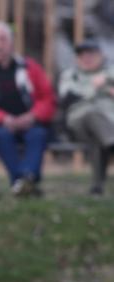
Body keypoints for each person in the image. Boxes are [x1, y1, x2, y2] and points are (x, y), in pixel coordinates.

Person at [0, 21, 56, 196]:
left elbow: (48, 98)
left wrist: (32, 116)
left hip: (29, 123)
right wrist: (2, 118)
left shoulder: (30, 68)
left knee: (38, 134)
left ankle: (26, 177)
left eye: (3, 39)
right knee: (1, 135)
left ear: (12, 42)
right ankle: (22, 181)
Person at [58, 39, 114, 195]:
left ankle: (97, 186)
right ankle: (111, 142)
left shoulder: (110, 72)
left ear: (101, 56)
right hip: (79, 122)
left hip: (107, 124)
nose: (87, 58)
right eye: (82, 55)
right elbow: (68, 99)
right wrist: (95, 87)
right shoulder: (70, 75)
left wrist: (106, 82)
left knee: (97, 134)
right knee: (92, 114)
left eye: (91, 54)